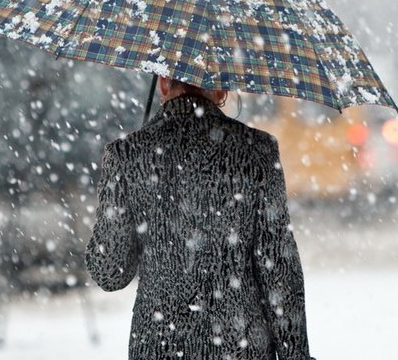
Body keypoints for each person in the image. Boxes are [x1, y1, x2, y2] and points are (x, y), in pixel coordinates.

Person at [85, 77, 314, 360]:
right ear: (221, 90)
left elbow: (110, 273)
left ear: (164, 84)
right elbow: (278, 267)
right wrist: (296, 356)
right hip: (241, 347)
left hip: (159, 348)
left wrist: (125, 189)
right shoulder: (258, 151)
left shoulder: (126, 155)